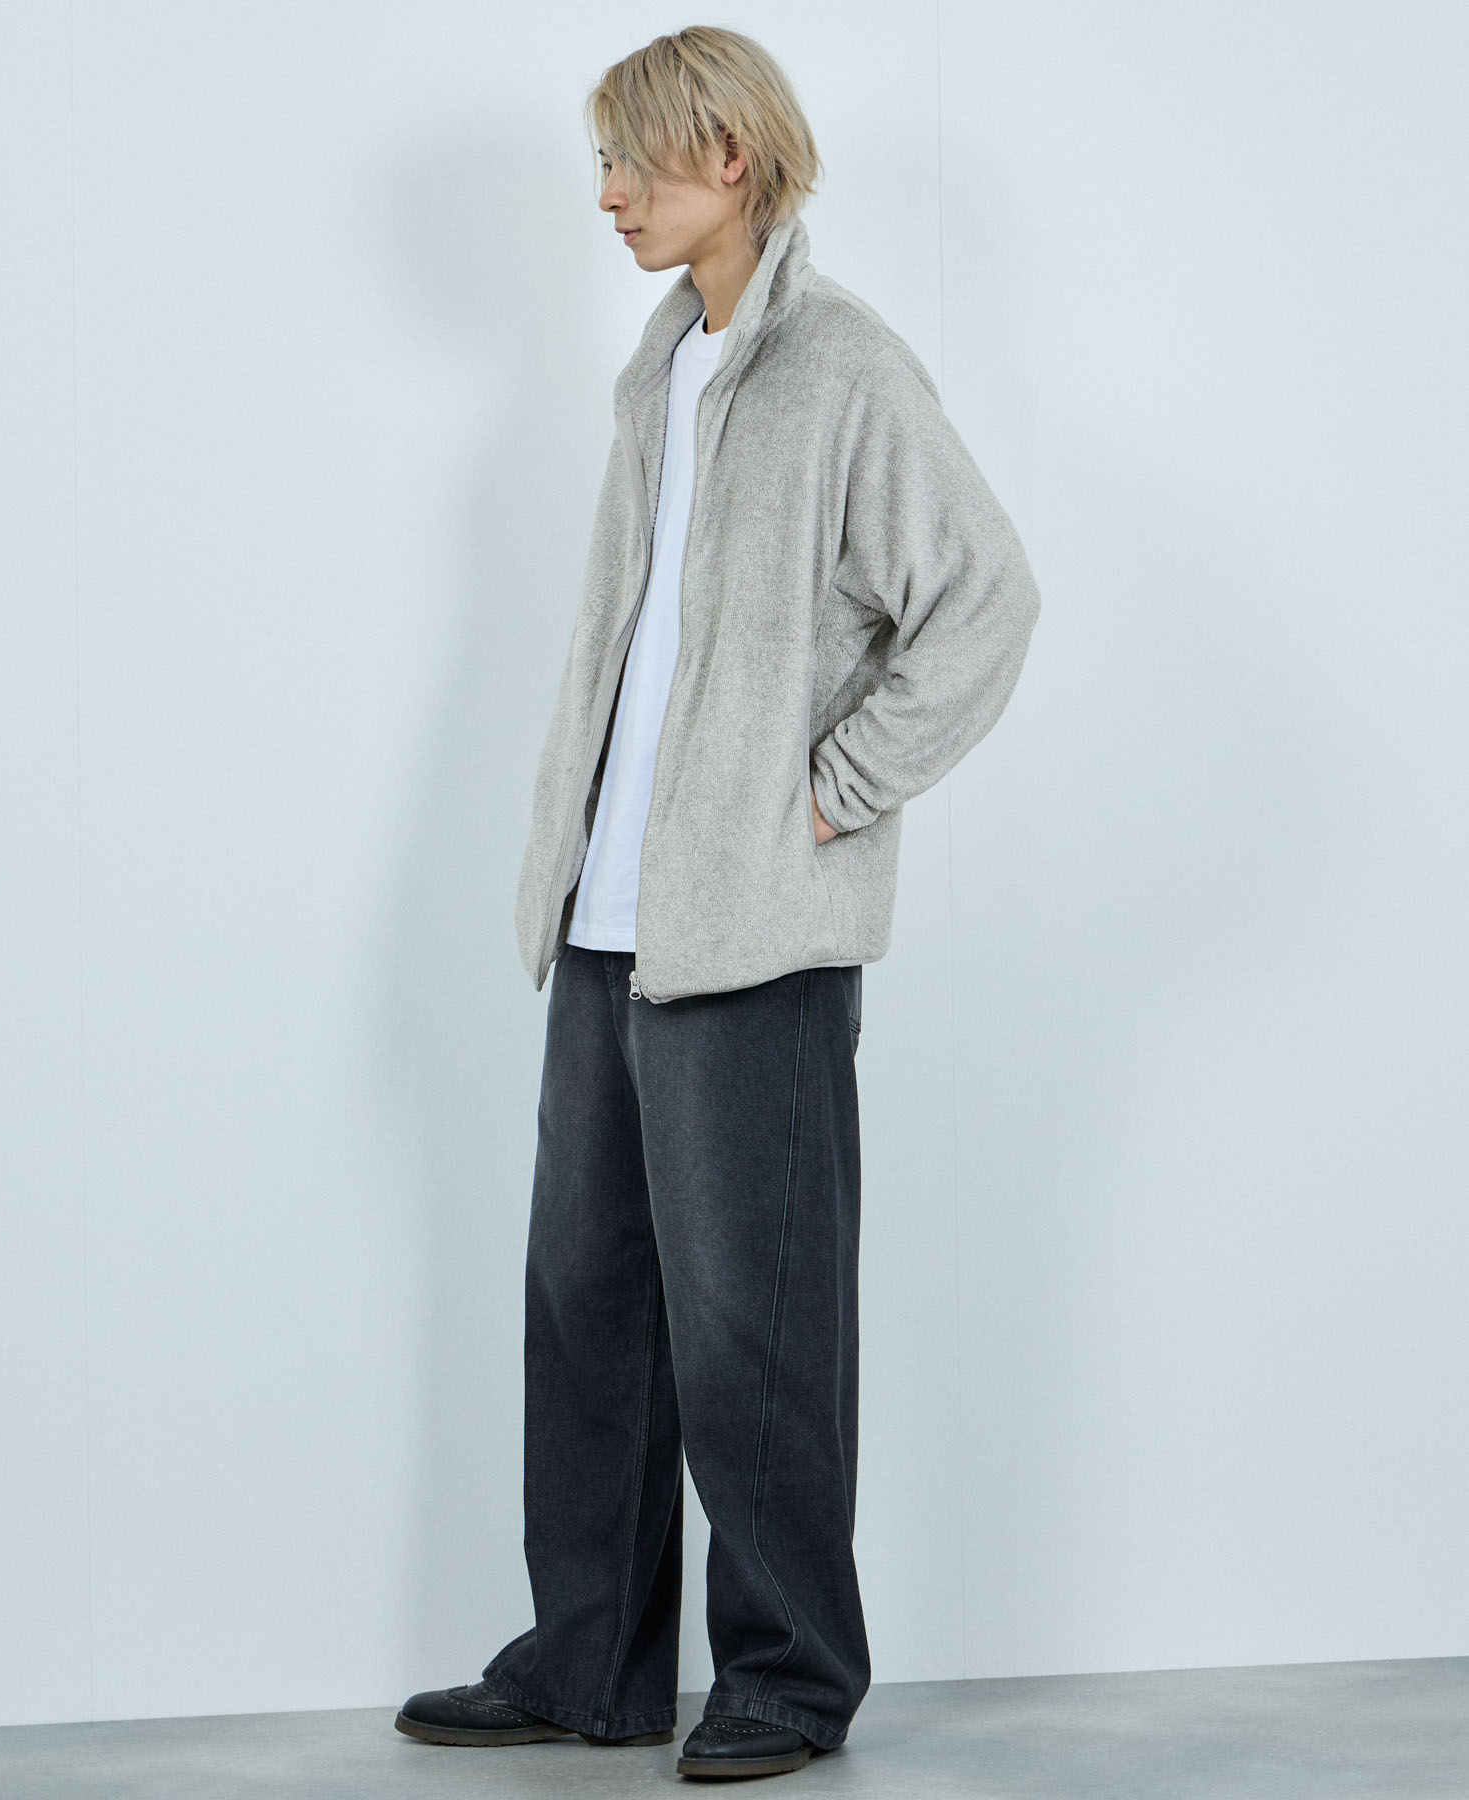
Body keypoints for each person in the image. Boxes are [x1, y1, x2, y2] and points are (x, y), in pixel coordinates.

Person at [394, 24, 1040, 1784]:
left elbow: (985, 601)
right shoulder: (660, 366)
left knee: (757, 1322)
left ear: (728, 159)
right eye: (601, 164)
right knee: (586, 1303)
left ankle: (788, 1677)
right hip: (609, 926)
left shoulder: (845, 369)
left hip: (751, 934)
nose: (607, 196)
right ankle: (591, 1659)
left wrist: (831, 791)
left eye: (632, 162)